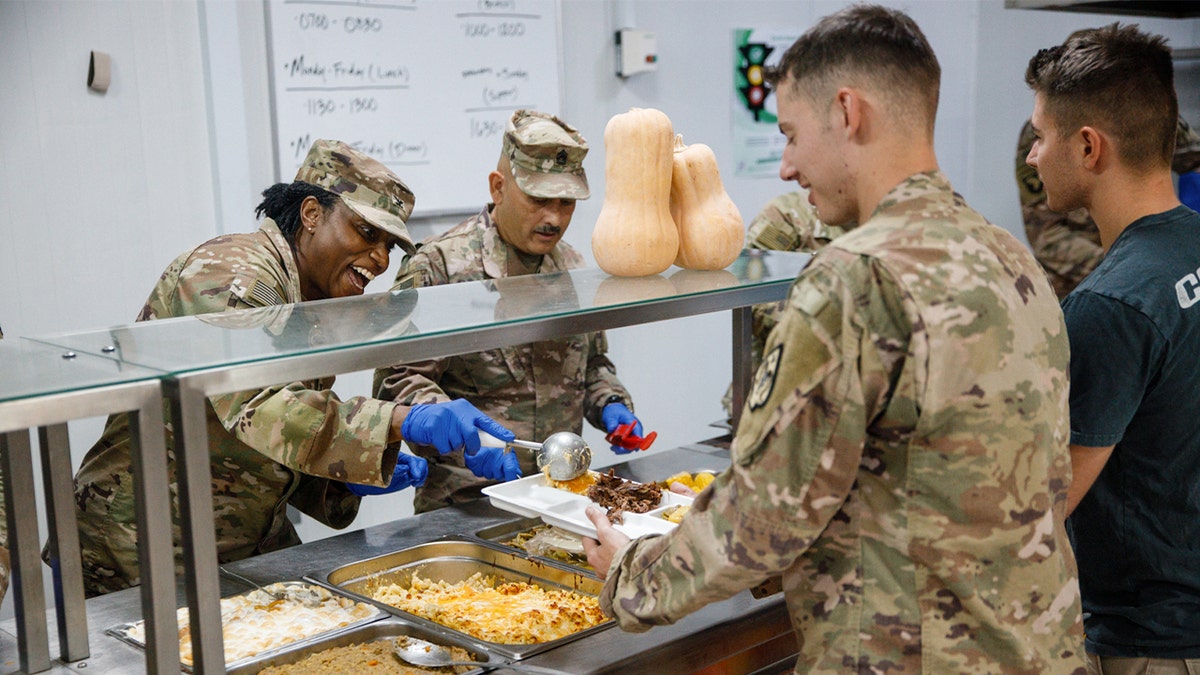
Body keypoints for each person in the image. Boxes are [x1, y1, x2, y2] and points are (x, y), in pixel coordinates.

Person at [583, 5, 1086, 673]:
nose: (786, 166)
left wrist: (631, 573)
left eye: (791, 134)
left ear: (848, 112)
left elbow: (761, 516)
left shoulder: (855, 278)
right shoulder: (1009, 256)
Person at [64, 140, 517, 597]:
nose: (380, 259)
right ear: (311, 214)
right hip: (142, 542)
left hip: (240, 537)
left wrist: (348, 480)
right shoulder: (232, 273)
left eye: (388, 245)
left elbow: (274, 445)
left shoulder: (312, 298)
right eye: (365, 232)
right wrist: (401, 420)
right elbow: (259, 407)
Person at [1025, 24, 1200, 673]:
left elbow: (1046, 503)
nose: (1033, 157)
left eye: (1041, 137)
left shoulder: (1109, 306)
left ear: (1089, 146)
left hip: (1155, 645)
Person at [375, 110, 643, 513]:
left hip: (560, 494)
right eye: (538, 199)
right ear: (498, 188)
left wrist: (610, 404)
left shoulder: (572, 265)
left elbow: (592, 364)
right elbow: (398, 381)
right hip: (466, 498)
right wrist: (461, 434)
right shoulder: (440, 267)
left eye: (566, 202)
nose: (554, 217)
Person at [1016, 116, 1200, 298]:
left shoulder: (1147, 110)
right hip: (1084, 284)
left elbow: (1194, 158)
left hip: (1152, 267)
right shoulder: (1047, 130)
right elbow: (1047, 238)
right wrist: (1123, 268)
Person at [721, 190, 847, 419]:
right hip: (773, 395)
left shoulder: (880, 221)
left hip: (843, 395)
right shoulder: (786, 216)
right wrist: (830, 324)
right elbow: (751, 297)